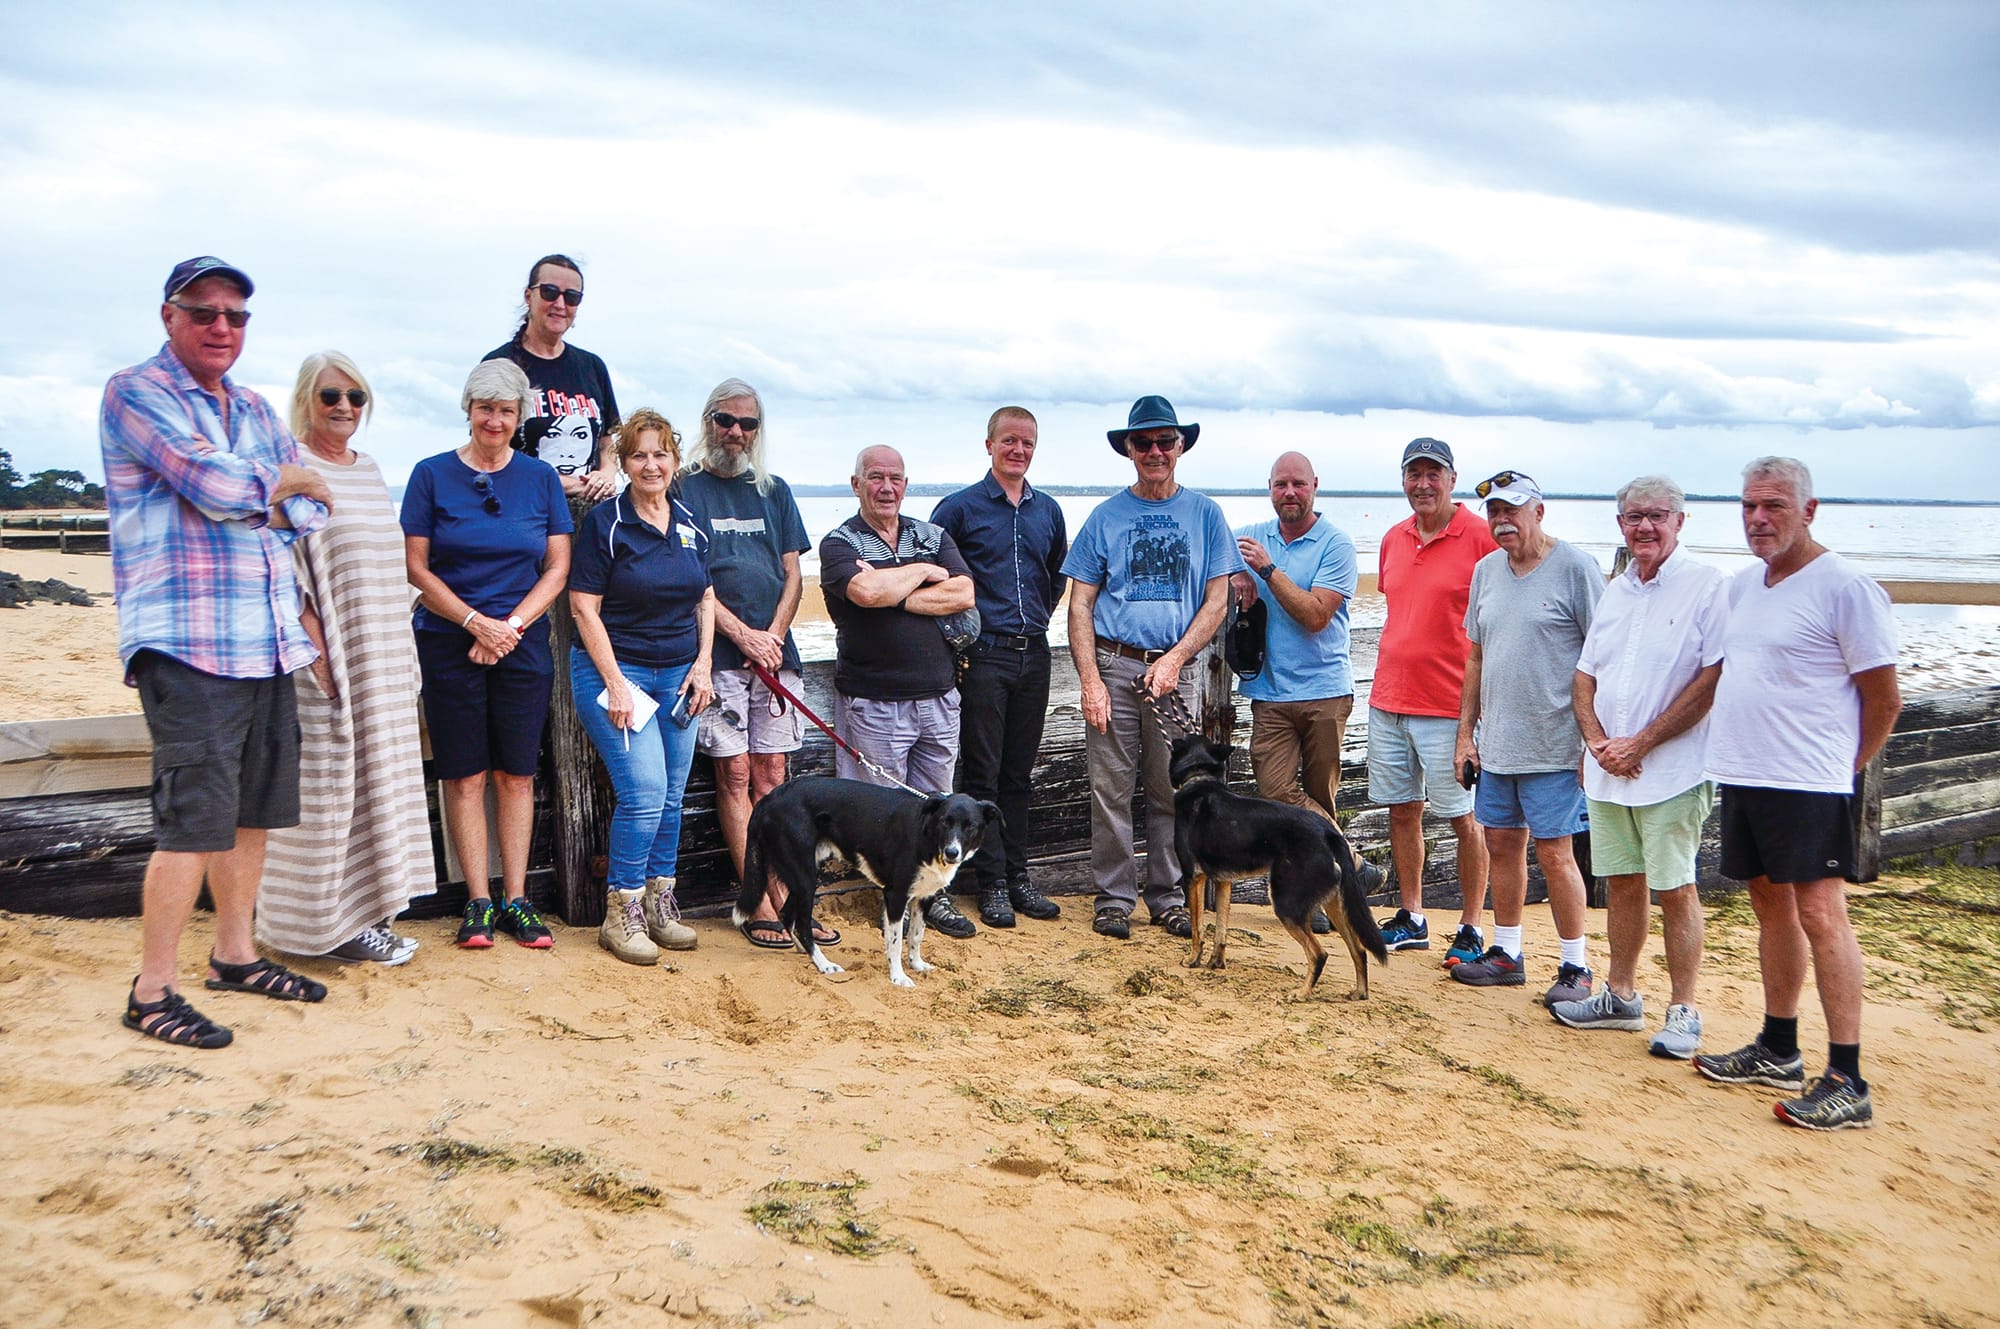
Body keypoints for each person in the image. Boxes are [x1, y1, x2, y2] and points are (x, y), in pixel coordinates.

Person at [103, 256, 334, 1048]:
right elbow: (214, 484)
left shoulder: (257, 408)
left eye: (235, 316)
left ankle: (234, 954)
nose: (221, 328)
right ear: (169, 315)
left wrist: (273, 487)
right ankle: (152, 987)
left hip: (267, 640)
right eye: (203, 312)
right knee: (191, 821)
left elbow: (306, 511)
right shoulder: (135, 392)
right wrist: (276, 483)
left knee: (254, 811)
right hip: (186, 640)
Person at [1693, 457, 1900, 1131]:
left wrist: (1842, 771)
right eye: (1749, 505)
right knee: (1770, 908)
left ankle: (1848, 1076)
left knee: (1822, 914)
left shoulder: (1845, 586)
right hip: (1748, 773)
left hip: (1810, 781)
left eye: (1775, 506)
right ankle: (1778, 1045)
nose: (1758, 518)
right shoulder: (1744, 585)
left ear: (1809, 510)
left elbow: (1883, 697)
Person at [259, 352, 435, 967]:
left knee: (377, 785)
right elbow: (279, 562)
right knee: (330, 788)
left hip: (381, 650)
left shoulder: (371, 469)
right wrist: (312, 644)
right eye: (331, 395)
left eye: (356, 397)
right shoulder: (289, 467)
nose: (343, 407)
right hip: (328, 651)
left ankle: (367, 918)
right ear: (307, 398)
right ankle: (317, 926)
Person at [401, 359, 573, 950]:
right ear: (468, 410)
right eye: (484, 409)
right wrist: (476, 623)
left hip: (522, 643)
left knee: (517, 774)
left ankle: (517, 900)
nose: (494, 420)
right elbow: (417, 567)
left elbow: (557, 567)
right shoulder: (430, 475)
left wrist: (510, 626)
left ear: (520, 415)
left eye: (505, 410)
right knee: (464, 774)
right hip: (449, 641)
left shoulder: (541, 479)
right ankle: (477, 901)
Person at [1552, 476, 1725, 1058]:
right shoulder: (1618, 590)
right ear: (1620, 523)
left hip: (1673, 771)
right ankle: (1620, 995)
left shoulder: (1707, 586)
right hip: (1607, 771)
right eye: (1632, 517)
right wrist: (1596, 741)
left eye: (1656, 515)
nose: (1643, 526)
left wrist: (1642, 743)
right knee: (1622, 882)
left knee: (1675, 887)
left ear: (1681, 520)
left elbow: (1712, 679)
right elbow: (1584, 675)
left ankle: (1684, 1011)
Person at [1063, 396, 1241, 941]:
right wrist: (1091, 682)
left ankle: (1168, 896)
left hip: (1175, 672)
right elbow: (1080, 605)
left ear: (1181, 446)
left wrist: (1176, 659)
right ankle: (1114, 897)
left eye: (1166, 441)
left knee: (1173, 792)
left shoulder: (1206, 514)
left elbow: (1217, 601)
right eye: (1144, 443)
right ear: (1129, 451)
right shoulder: (1105, 517)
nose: (1156, 451)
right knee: (1109, 788)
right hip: (1115, 667)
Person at [673, 380, 818, 951]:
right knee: (733, 775)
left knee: (774, 778)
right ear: (707, 421)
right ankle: (754, 898)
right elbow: (690, 579)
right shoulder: (684, 488)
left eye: (747, 424)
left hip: (775, 658)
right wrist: (742, 636)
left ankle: (788, 897)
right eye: (725, 420)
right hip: (719, 658)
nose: (735, 432)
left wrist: (774, 636)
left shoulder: (774, 490)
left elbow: (793, 574)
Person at [568, 409, 715, 965]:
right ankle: (621, 911)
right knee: (645, 792)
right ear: (624, 463)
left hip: (680, 677)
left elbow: (705, 597)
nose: (650, 464)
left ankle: (660, 902)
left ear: (676, 462)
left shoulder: (691, 523)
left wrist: (702, 666)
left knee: (673, 796)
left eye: (660, 454)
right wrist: (616, 683)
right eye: (638, 455)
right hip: (616, 672)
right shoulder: (605, 523)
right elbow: (584, 607)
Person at [1450, 470, 1603, 1004]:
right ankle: (1507, 953)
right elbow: (1475, 658)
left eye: (1512, 510)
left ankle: (1574, 966)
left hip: (1555, 744)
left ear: (1540, 511)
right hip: (1498, 745)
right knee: (1502, 844)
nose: (1501, 520)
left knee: (1557, 853)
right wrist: (1465, 736)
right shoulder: (1487, 571)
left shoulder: (1577, 569)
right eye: (1493, 512)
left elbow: (1601, 659)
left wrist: (1594, 740)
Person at [818, 446, 980, 936]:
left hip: (939, 695)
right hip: (874, 701)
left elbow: (965, 592)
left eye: (895, 478)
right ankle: (891, 896)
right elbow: (864, 594)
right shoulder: (838, 542)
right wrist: (925, 574)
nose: (886, 487)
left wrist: (894, 593)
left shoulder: (932, 534)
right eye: (875, 477)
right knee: (885, 812)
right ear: (856, 483)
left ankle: (934, 899)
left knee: (939, 808)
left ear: (906, 485)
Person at [1229, 451, 1383, 929]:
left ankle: (1316, 898)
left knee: (1320, 796)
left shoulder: (1335, 544)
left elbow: (1316, 616)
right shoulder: (1253, 536)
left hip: (1325, 693)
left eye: (1298, 483)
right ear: (1269, 488)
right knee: (1277, 795)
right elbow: (1215, 563)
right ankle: (1355, 865)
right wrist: (1237, 575)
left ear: (1315, 485)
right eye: (1280, 484)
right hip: (1270, 692)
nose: (1289, 493)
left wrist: (1268, 572)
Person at [931, 407, 1068, 928]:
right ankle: (988, 885)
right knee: (983, 774)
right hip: (982, 656)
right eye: (1009, 440)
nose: (1018, 450)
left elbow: (1054, 578)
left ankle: (1018, 878)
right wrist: (959, 640)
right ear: (988, 445)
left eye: (1027, 443)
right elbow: (931, 575)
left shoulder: (1048, 511)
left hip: (1033, 653)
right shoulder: (960, 509)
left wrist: (1030, 623)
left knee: (1019, 776)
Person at [1367, 439, 1499, 962]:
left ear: (1452, 478)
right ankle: (1413, 915)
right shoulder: (1392, 538)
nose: (1423, 484)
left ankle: (1470, 925)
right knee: (1403, 812)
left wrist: (1478, 715)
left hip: (1450, 706)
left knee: (1463, 818)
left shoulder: (1482, 537)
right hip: (1388, 699)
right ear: (1403, 480)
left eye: (1433, 474)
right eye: (1413, 473)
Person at [482, 254, 620, 501]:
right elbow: (488, 451)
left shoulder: (592, 367)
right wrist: (565, 484)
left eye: (571, 297)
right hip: (525, 510)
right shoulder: (500, 365)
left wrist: (606, 475)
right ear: (528, 296)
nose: (560, 304)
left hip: (588, 514)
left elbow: (607, 443)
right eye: (549, 292)